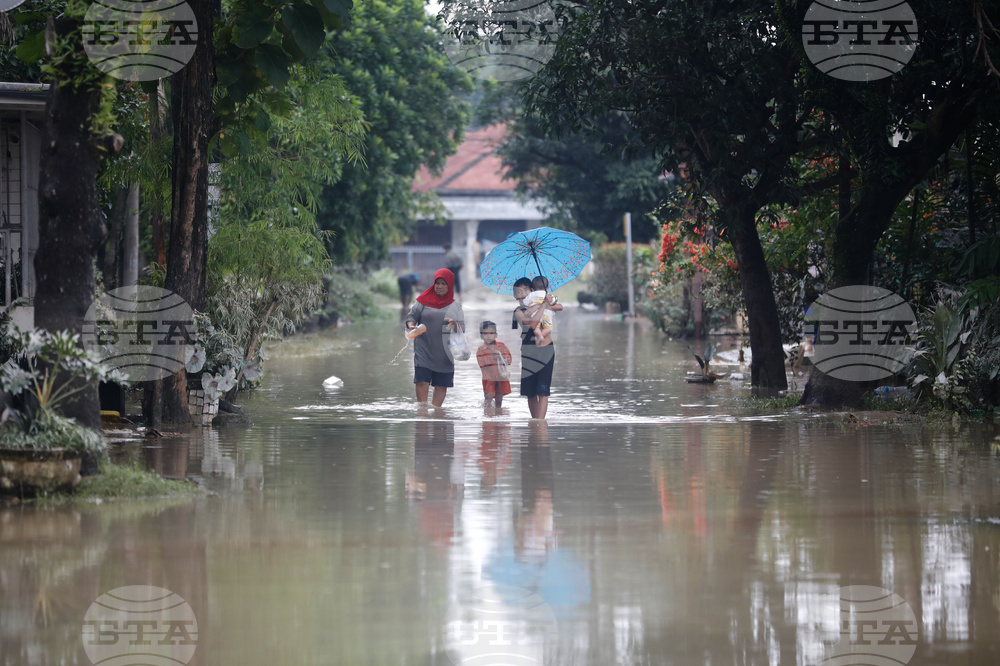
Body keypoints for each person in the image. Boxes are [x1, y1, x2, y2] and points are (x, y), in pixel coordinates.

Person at [404, 268, 465, 407]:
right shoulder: (422, 301)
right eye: (437, 283)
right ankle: (423, 412)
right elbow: (411, 316)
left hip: (445, 352)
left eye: (444, 283)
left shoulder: (455, 305)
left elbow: (462, 328)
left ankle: (437, 414)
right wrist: (411, 326)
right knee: (421, 381)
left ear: (449, 285)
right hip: (423, 349)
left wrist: (455, 324)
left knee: (441, 385)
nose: (440, 286)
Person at [512, 277, 562, 419]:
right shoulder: (518, 311)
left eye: (526, 289)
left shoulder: (543, 302)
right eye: (519, 290)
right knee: (530, 391)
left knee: (543, 390)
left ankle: (540, 423)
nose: (523, 293)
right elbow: (530, 323)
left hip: (546, 350)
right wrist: (542, 305)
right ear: (515, 295)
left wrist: (546, 303)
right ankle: (535, 422)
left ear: (533, 291)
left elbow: (559, 306)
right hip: (529, 352)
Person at [476, 320, 513, 408]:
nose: (489, 336)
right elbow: (481, 363)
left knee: (499, 398)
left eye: (491, 333)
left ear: (496, 335)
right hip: (488, 377)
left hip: (501, 376)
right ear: (481, 336)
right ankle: (487, 413)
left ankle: (498, 413)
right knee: (488, 396)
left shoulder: (501, 346)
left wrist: (501, 358)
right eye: (485, 334)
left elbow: (509, 359)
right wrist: (493, 358)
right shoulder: (481, 349)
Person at [523, 275, 555, 346]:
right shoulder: (548, 295)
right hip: (547, 315)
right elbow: (555, 303)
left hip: (536, 314)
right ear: (547, 288)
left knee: (536, 327)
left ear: (532, 289)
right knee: (548, 328)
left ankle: (539, 336)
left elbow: (525, 302)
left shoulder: (531, 294)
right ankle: (542, 336)